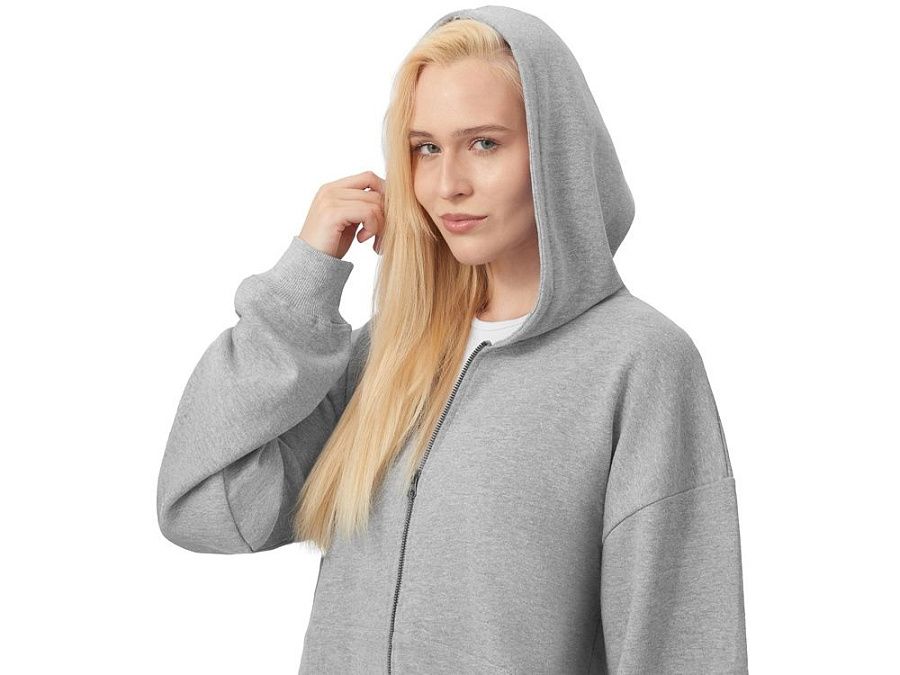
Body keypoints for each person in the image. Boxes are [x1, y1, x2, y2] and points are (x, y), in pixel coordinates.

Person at [156, 6, 749, 674]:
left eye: (485, 143)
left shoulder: (639, 363)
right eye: (426, 148)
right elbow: (203, 505)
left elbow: (679, 648)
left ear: (554, 154)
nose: (448, 185)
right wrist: (303, 284)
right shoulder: (389, 356)